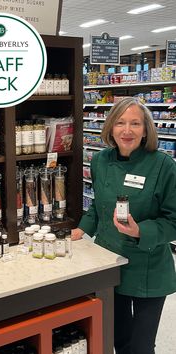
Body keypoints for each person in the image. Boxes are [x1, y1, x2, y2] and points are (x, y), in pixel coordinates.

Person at [72, 97, 176, 354]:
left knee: (140, 347)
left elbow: (173, 219)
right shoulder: (100, 161)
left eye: (135, 123)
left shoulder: (163, 165)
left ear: (146, 129)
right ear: (110, 127)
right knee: (118, 339)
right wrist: (81, 229)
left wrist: (142, 230)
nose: (127, 130)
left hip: (147, 268)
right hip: (109, 262)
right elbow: (99, 203)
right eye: (120, 123)